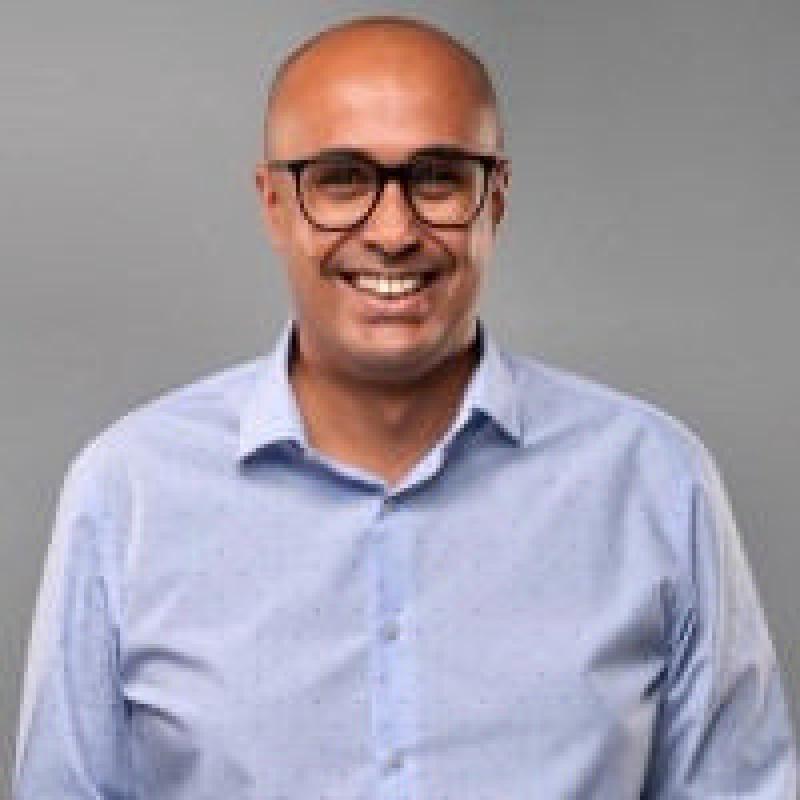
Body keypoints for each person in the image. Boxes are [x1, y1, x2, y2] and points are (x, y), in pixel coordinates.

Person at [12, 14, 797, 799]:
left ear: (495, 198)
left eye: (438, 178)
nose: (393, 231)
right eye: (341, 179)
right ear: (274, 202)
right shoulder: (129, 492)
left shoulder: (654, 481)